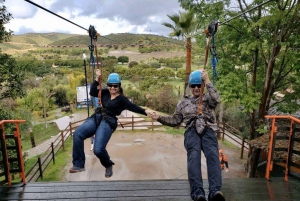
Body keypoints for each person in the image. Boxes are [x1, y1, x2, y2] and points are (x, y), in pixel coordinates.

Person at [150, 70, 225, 201]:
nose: (196, 88)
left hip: (208, 129)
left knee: (212, 154)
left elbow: (217, 99)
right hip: (191, 130)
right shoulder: (182, 103)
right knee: (194, 156)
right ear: (190, 87)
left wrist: (207, 81)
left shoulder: (208, 99)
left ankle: (215, 192)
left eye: (199, 85)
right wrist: (159, 118)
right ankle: (198, 193)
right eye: (193, 86)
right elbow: (175, 120)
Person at [69, 70, 152, 178]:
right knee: (78, 134)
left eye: (115, 86)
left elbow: (133, 107)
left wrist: (146, 111)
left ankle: (108, 164)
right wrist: (97, 78)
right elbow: (93, 92)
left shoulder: (122, 99)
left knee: (98, 150)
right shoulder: (105, 92)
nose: (112, 88)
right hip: (97, 117)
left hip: (108, 121)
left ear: (119, 86)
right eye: (110, 85)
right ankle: (79, 164)